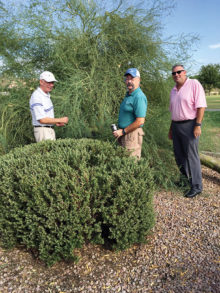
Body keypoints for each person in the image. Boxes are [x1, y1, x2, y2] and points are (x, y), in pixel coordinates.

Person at [168, 64, 207, 198]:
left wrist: (198, 125)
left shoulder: (194, 84)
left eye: (179, 72)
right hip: (176, 126)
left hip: (190, 125)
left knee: (191, 156)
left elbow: (201, 106)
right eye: (174, 73)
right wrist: (171, 129)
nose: (176, 75)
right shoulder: (173, 90)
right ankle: (185, 181)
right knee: (179, 155)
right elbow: (173, 111)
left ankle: (197, 186)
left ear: (184, 72)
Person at [113, 68, 147, 159]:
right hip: (124, 134)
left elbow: (140, 121)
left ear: (138, 80)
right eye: (127, 79)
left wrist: (123, 131)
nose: (129, 81)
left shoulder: (139, 97)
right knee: (122, 161)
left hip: (131, 135)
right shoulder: (128, 95)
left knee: (130, 164)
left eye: (132, 79)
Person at [30, 71, 68, 142]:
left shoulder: (45, 95)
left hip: (47, 130)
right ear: (41, 82)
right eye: (48, 82)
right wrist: (60, 120)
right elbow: (42, 119)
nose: (51, 85)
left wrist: (54, 122)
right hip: (43, 131)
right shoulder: (37, 96)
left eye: (52, 82)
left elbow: (45, 117)